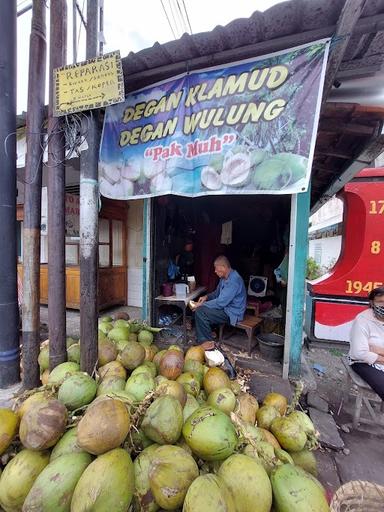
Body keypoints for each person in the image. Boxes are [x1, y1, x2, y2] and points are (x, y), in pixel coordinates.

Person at [193, 255, 246, 350]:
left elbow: (221, 302)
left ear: (223, 267)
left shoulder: (234, 280)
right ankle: (208, 335)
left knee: (201, 311)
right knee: (200, 309)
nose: (215, 271)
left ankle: (207, 344)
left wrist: (201, 304)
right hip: (225, 308)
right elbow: (216, 294)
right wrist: (206, 297)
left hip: (232, 313)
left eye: (216, 268)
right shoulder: (224, 278)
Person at [349, 286, 384, 400]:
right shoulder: (362, 320)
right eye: (380, 302)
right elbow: (359, 353)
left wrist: (376, 349)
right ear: (372, 303)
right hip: (363, 363)